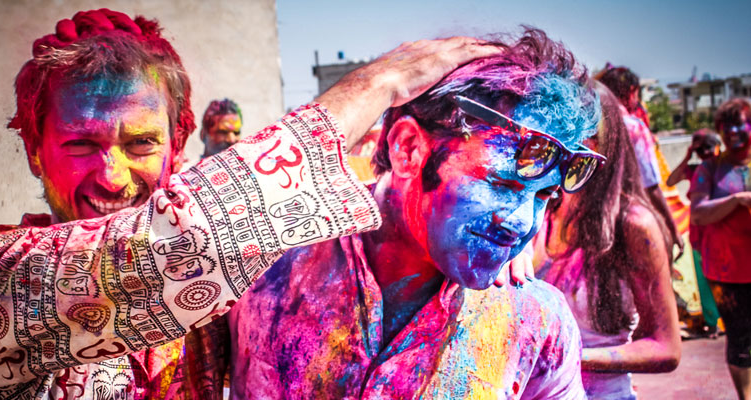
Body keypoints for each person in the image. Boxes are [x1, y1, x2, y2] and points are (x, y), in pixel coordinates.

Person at [0, 8, 502, 398]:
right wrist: (374, 87)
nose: (112, 176)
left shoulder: (216, 298)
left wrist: (472, 238)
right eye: (80, 144)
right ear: (35, 152)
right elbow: (166, 246)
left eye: (141, 143)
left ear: (177, 146)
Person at [223, 28, 599, 398]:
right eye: (501, 184)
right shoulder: (263, 262)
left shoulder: (534, 318)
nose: (521, 222)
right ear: (408, 148)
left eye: (544, 196)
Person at [533, 83, 681, 400]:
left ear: (603, 140)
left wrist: (566, 358)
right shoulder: (538, 208)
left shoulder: (631, 224)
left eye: (574, 129)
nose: (559, 139)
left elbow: (666, 348)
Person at [689, 97, 751, 400]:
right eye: (726, 128)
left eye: (740, 125)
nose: (733, 133)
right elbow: (698, 212)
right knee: (741, 339)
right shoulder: (710, 169)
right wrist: (738, 200)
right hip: (728, 273)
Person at [597, 66, 683, 253]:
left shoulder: (590, 123)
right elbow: (651, 187)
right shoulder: (634, 128)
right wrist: (672, 228)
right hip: (628, 223)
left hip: (591, 223)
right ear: (631, 91)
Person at [667, 129, 723, 336]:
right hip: (701, 234)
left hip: (724, 233)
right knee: (705, 278)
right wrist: (688, 156)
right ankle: (712, 321)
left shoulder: (727, 169)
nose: (706, 153)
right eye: (701, 149)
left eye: (709, 147)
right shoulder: (694, 170)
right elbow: (671, 181)